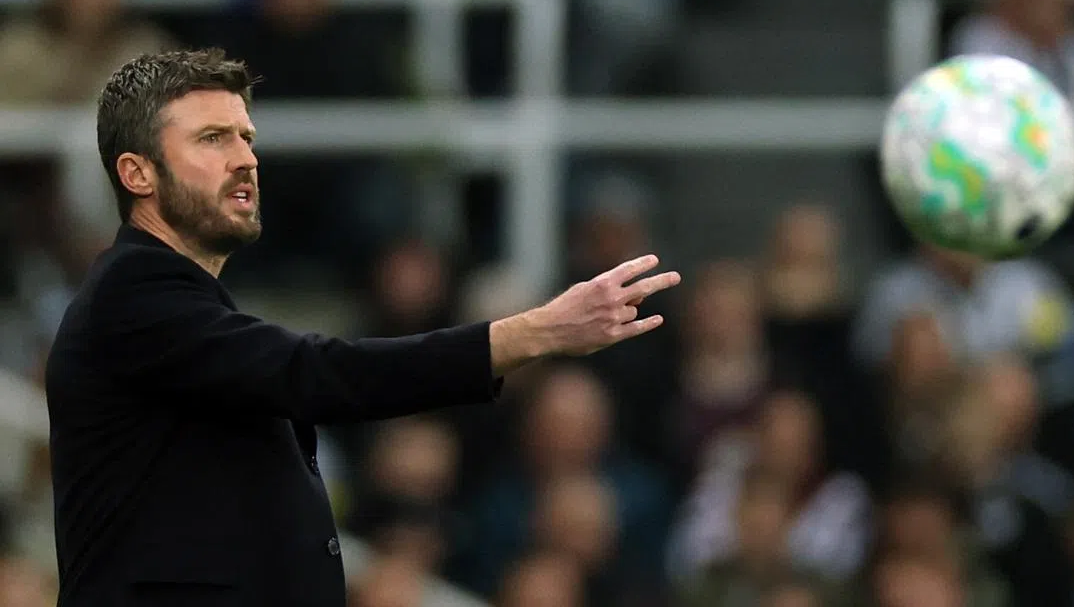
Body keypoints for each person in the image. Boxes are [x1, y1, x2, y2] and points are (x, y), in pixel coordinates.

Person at [44, 48, 681, 607]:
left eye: (246, 136)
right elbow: (320, 375)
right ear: (138, 173)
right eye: (213, 139)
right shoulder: (136, 296)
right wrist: (538, 331)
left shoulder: (178, 304)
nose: (246, 159)